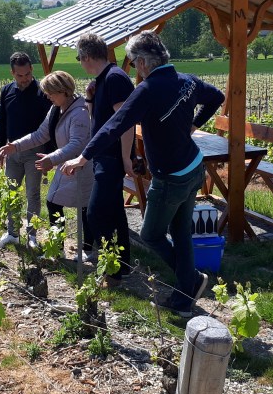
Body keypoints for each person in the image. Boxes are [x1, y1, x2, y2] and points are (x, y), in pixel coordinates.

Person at [62, 31, 225, 317]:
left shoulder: (148, 90)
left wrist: (83, 156)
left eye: (134, 63)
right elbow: (217, 97)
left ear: (143, 62)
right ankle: (184, 297)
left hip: (170, 177)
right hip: (194, 168)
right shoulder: (187, 80)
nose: (135, 69)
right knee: (181, 233)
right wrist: (194, 124)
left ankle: (190, 280)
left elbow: (115, 125)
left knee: (151, 235)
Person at [0, 70, 94, 258]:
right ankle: (58, 248)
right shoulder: (57, 108)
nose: (47, 97)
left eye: (50, 93)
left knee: (83, 207)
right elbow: (40, 134)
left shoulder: (80, 112)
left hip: (81, 168)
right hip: (66, 165)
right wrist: (15, 146)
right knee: (54, 202)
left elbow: (77, 144)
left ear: (63, 91)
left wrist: (52, 158)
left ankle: (88, 250)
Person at [74, 33, 135, 270]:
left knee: (97, 215)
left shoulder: (115, 79)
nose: (80, 62)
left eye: (80, 57)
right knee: (116, 213)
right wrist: (90, 99)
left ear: (87, 56)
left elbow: (125, 122)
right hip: (104, 156)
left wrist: (125, 158)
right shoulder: (102, 80)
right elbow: (97, 121)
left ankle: (112, 268)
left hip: (111, 157)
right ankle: (123, 266)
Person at [0, 52, 52, 249]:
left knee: (33, 194)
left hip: (35, 151)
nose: (25, 78)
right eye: (20, 75)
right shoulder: (6, 91)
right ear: (12, 73)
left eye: (27, 74)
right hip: (11, 151)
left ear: (31, 69)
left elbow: (51, 125)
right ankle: (12, 233)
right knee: (11, 192)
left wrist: (50, 155)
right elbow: (1, 120)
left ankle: (32, 236)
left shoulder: (42, 93)